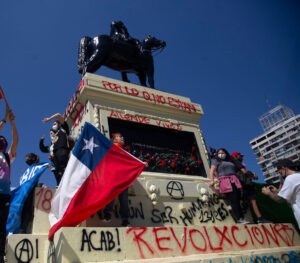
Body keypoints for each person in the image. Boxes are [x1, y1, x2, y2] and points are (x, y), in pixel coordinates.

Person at [209, 148, 249, 224]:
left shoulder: (230, 161)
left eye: (223, 153)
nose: (221, 154)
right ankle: (239, 218)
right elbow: (212, 171)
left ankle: (242, 217)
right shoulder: (216, 161)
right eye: (219, 153)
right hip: (225, 181)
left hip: (234, 180)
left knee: (237, 198)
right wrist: (212, 180)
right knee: (233, 199)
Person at [0, 104, 18, 263]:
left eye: (3, 140)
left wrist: (13, 123)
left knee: (1, 226)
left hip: (4, 195)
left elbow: (16, 141)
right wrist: (5, 119)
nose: (2, 140)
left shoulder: (8, 157)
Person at [231, 151, 270, 224]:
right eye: (240, 155)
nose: (242, 157)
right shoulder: (237, 162)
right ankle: (259, 218)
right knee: (253, 201)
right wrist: (253, 176)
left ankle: (249, 217)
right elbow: (245, 172)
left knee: (247, 202)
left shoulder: (232, 164)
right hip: (246, 184)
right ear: (236, 156)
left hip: (240, 184)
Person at [262, 159, 300, 229]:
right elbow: (290, 203)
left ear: (284, 167)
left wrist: (268, 193)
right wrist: (277, 192)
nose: (279, 172)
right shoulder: (298, 176)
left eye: (279, 169)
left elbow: (279, 199)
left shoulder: (290, 178)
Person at [102, 133, 130, 226]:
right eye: (119, 136)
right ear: (114, 139)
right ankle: (107, 214)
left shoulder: (125, 151)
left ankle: (125, 219)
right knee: (111, 195)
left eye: (122, 136)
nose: (122, 137)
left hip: (123, 178)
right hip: (113, 177)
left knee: (124, 199)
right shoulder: (111, 149)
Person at [42, 113, 71, 185]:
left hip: (63, 152)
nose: (53, 125)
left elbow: (58, 115)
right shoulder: (54, 137)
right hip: (56, 156)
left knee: (64, 173)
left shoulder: (63, 130)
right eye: (53, 124)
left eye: (55, 123)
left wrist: (49, 119)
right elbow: (46, 149)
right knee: (58, 175)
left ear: (59, 124)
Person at [20, 153, 40, 233]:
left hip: (30, 191)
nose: (26, 160)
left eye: (28, 158)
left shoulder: (36, 168)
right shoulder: (28, 170)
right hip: (24, 192)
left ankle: (24, 228)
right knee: (23, 210)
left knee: (28, 209)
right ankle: (23, 227)